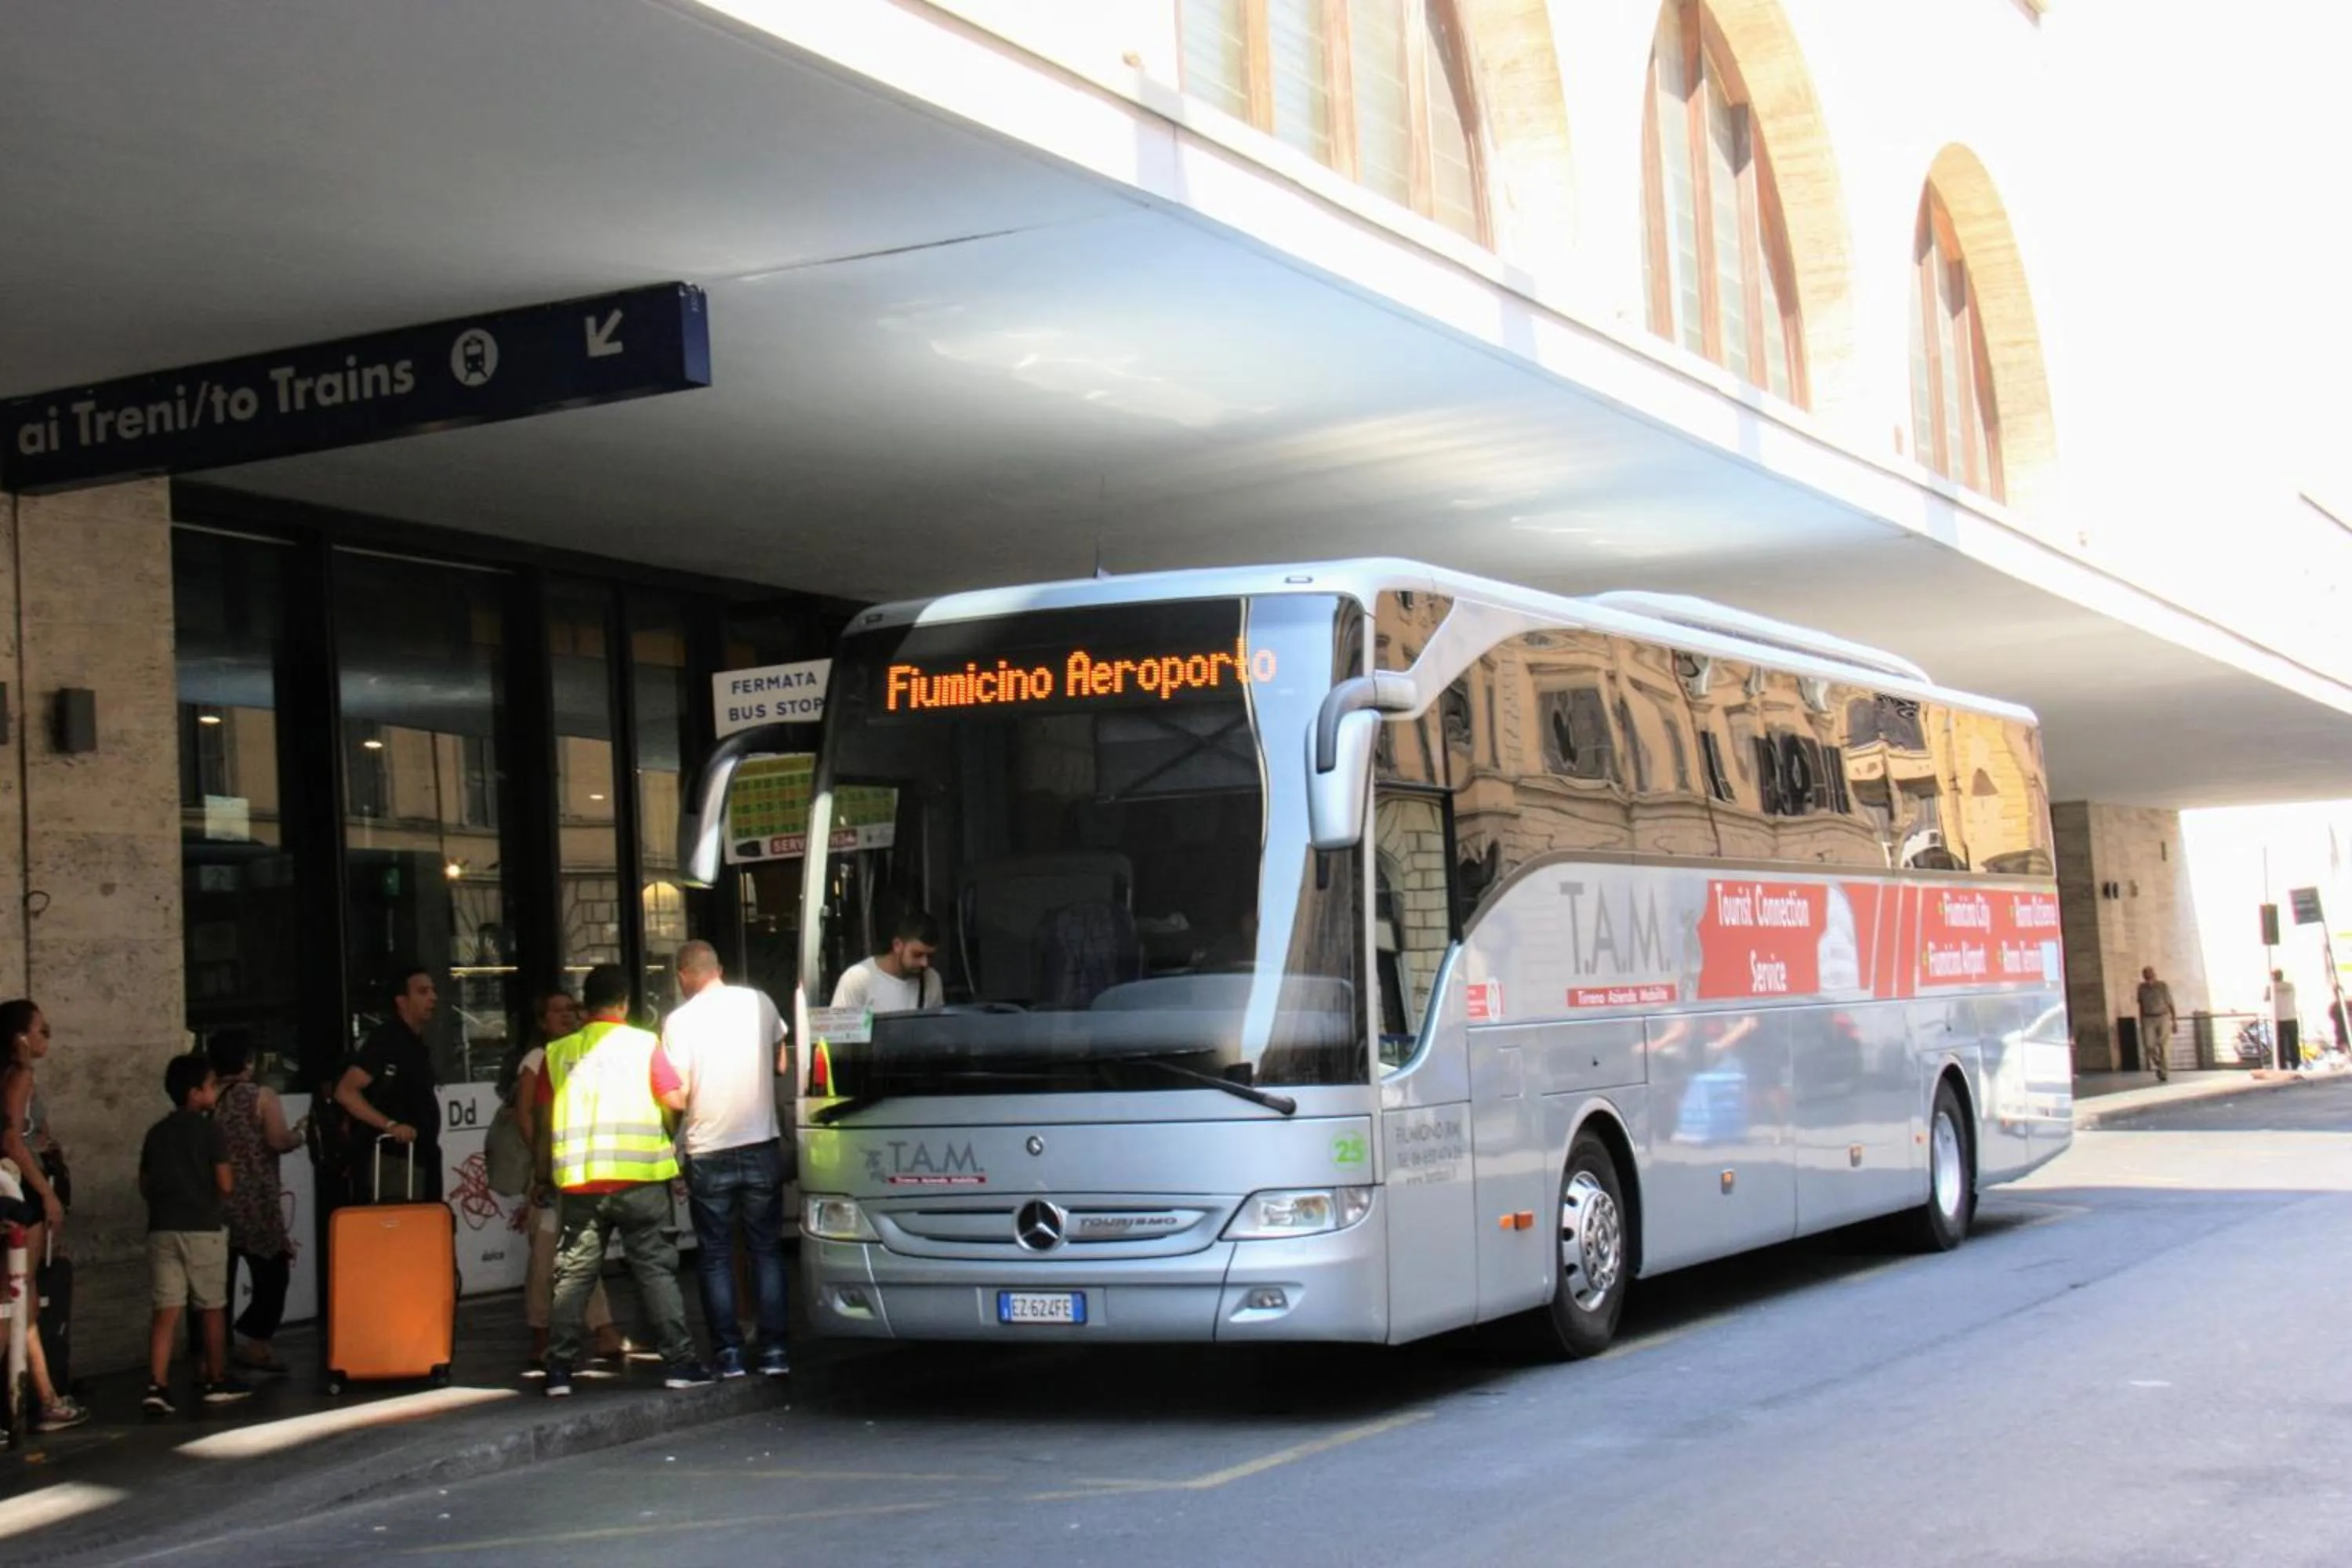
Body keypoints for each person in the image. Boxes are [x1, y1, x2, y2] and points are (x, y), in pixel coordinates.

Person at [539, 964, 711, 1398]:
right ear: (625, 1004)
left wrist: (542, 1176)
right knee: (655, 1271)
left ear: (586, 1006)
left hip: (580, 1184)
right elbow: (674, 1098)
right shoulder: (643, 1045)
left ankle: (559, 1370)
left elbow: (544, 1123)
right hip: (639, 1179)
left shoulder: (557, 1053)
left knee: (573, 1277)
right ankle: (680, 1362)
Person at [659, 941, 791, 1380]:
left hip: (708, 1148)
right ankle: (774, 1352)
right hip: (760, 1142)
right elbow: (781, 1063)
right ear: (720, 968)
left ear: (683, 975)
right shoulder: (759, 1002)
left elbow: (678, 1092)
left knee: (714, 1255)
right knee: (765, 1251)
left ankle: (729, 1354)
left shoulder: (678, 1022)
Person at [505, 987, 624, 1374]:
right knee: (546, 1258)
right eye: (557, 1011)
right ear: (542, 1021)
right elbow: (527, 1117)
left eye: (572, 1009)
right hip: (551, 1175)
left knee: (578, 1250)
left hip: (571, 1171)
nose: (568, 1016)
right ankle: (545, 1334)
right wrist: (546, 1166)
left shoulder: (574, 1054)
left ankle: (600, 1329)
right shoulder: (539, 1058)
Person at [140, 1053, 253, 1414]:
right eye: (209, 1085)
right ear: (195, 1093)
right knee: (212, 1308)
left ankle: (157, 1385)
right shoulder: (210, 1130)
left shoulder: (156, 1133)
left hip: (162, 1227)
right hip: (203, 1227)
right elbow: (225, 1181)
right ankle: (216, 1378)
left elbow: (145, 1182)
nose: (214, 1090)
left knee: (166, 1310)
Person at [0, 999, 87, 1432]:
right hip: (22, 1193)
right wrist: (46, 1193)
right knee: (18, 1297)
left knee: (24, 1299)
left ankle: (45, 1395)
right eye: (41, 1030)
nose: (46, 1037)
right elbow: (13, 1139)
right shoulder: (21, 1077)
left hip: (18, 1189)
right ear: (20, 1038)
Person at [206, 1029, 304, 1374]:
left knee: (217, 1283)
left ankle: (212, 1354)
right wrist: (301, 1134)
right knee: (272, 1273)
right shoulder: (261, 1096)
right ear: (248, 1061)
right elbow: (277, 1140)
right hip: (257, 1198)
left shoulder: (206, 1097)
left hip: (216, 1200)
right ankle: (256, 1343)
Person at [336, 965, 444, 1203]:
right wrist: (389, 1125)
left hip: (418, 1156)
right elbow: (346, 1091)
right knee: (401, 1229)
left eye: (433, 991)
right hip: (393, 1160)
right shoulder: (386, 1040)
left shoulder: (415, 1043)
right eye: (423, 992)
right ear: (402, 1001)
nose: (433, 998)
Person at [831, 912, 944, 1013]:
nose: (925, 963)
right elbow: (840, 1032)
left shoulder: (932, 980)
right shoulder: (857, 979)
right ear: (897, 945)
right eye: (917, 955)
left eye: (930, 956)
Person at [2135, 967, 2177, 1083]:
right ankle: (2160, 1064)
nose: (2148, 975)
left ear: (2154, 974)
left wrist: (2174, 1020)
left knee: (2164, 1046)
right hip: (2148, 1018)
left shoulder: (2162, 986)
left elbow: (2170, 1003)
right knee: (2149, 1046)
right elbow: (2141, 1005)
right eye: (2145, 973)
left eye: (2149, 973)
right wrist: (2141, 1021)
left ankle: (2163, 1072)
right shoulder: (2141, 988)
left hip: (2163, 1016)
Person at [2268, 969, 2301, 1072]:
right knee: (2293, 1042)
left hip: (2278, 1018)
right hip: (2291, 1016)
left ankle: (2282, 1065)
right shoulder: (2290, 986)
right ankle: (2295, 1063)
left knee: (2280, 1044)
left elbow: (2265, 998)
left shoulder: (2271, 987)